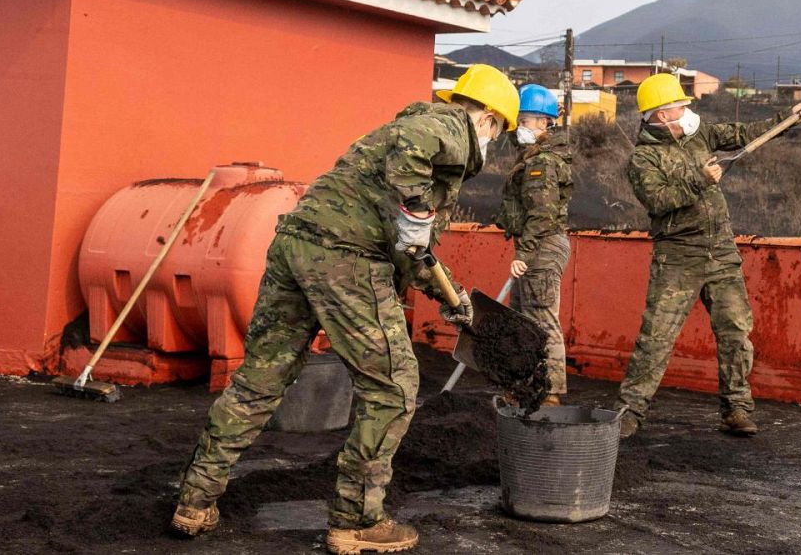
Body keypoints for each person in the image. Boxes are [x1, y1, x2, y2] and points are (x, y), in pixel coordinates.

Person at [170, 64, 520, 555]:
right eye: (499, 132)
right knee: (394, 390)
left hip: (296, 245)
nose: (493, 141)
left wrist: (451, 298)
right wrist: (420, 209)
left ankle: (195, 500)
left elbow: (413, 253)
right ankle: (357, 520)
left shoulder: (397, 147)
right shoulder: (449, 127)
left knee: (259, 381)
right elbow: (412, 148)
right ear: (488, 118)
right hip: (347, 260)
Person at [614, 72, 801, 438]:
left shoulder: (700, 135)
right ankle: (629, 413)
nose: (687, 110)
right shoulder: (643, 159)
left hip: (720, 251)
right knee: (656, 337)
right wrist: (699, 180)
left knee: (736, 331)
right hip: (678, 256)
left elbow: (743, 134)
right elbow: (658, 202)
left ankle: (736, 409)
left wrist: (788, 118)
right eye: (679, 105)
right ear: (662, 115)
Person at [495, 84, 575, 406]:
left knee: (541, 317)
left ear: (544, 123)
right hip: (534, 245)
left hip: (542, 246)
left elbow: (542, 215)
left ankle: (552, 393)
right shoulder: (530, 158)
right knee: (521, 318)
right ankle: (524, 388)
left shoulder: (542, 163)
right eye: (518, 120)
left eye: (525, 120)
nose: (519, 127)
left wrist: (524, 253)